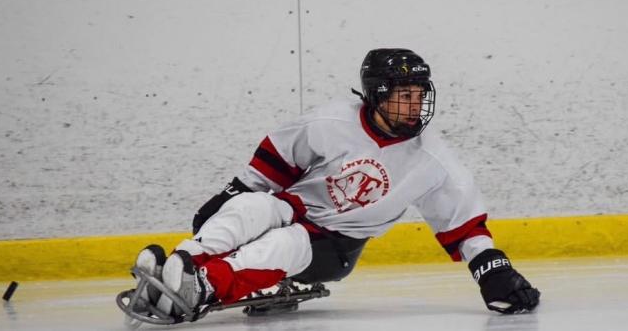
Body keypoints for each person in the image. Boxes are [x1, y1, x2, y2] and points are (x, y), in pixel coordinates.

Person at [133, 48, 540, 318]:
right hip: (293, 208)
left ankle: (200, 287)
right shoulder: (331, 122)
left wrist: (493, 271)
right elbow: (275, 161)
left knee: (282, 245)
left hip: (336, 245)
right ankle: (179, 263)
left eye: (419, 94)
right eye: (404, 95)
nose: (415, 106)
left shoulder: (432, 160)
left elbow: (464, 224)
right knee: (249, 207)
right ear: (376, 95)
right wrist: (230, 195)